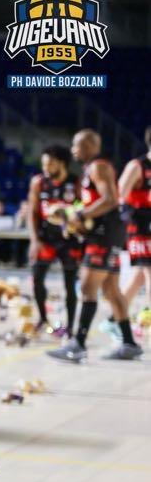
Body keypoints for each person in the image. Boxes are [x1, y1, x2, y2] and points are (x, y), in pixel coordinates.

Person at [48, 129, 142, 362]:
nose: (73, 150)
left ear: (89, 145)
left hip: (104, 235)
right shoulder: (93, 168)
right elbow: (97, 202)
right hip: (108, 233)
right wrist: (75, 215)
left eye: (76, 145)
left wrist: (79, 215)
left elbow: (110, 200)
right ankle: (129, 343)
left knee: (87, 287)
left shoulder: (98, 167)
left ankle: (78, 345)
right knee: (111, 290)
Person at [27, 145, 81, 338]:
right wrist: (35, 240)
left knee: (70, 284)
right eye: (43, 164)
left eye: (50, 164)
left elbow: (82, 208)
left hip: (69, 240)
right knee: (37, 279)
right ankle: (43, 319)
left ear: (62, 163)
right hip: (46, 239)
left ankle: (71, 327)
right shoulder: (39, 182)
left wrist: (73, 218)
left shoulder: (76, 182)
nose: (46, 168)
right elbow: (32, 213)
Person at [118, 126, 151, 314]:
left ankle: (115, 319)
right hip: (140, 226)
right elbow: (120, 196)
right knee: (149, 272)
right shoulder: (137, 166)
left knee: (140, 276)